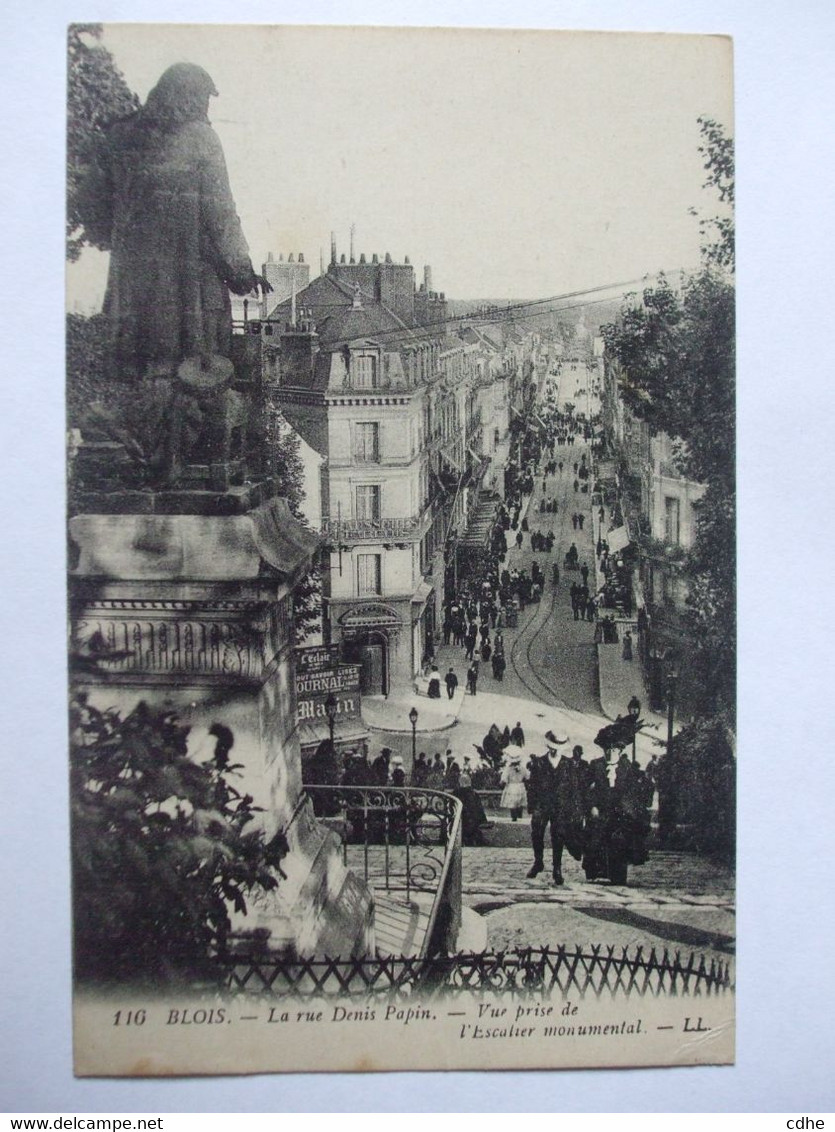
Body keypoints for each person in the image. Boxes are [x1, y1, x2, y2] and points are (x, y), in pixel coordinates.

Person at [583, 746, 651, 886]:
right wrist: (592, 806)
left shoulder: (627, 767)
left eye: (613, 750)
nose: (610, 752)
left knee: (620, 841)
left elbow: (634, 790)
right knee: (597, 839)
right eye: (607, 749)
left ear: (619, 751)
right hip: (601, 809)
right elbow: (585, 788)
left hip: (621, 810)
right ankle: (597, 871)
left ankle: (619, 874)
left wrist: (628, 807)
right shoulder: (596, 765)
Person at [525, 732, 586, 885]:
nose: (554, 750)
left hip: (561, 806)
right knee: (537, 831)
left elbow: (574, 788)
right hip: (542, 804)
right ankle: (538, 861)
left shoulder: (569, 764)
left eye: (558, 748)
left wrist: (574, 809)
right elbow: (532, 786)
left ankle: (556, 869)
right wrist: (532, 807)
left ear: (563, 748)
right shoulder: (539, 762)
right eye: (552, 747)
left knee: (558, 836)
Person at [500, 751, 528, 821]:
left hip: (512, 787)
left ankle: (514, 819)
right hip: (520, 787)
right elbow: (527, 778)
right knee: (519, 804)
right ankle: (519, 818)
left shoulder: (508, 769)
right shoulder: (523, 769)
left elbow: (504, 780)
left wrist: (501, 783)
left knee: (512, 804)